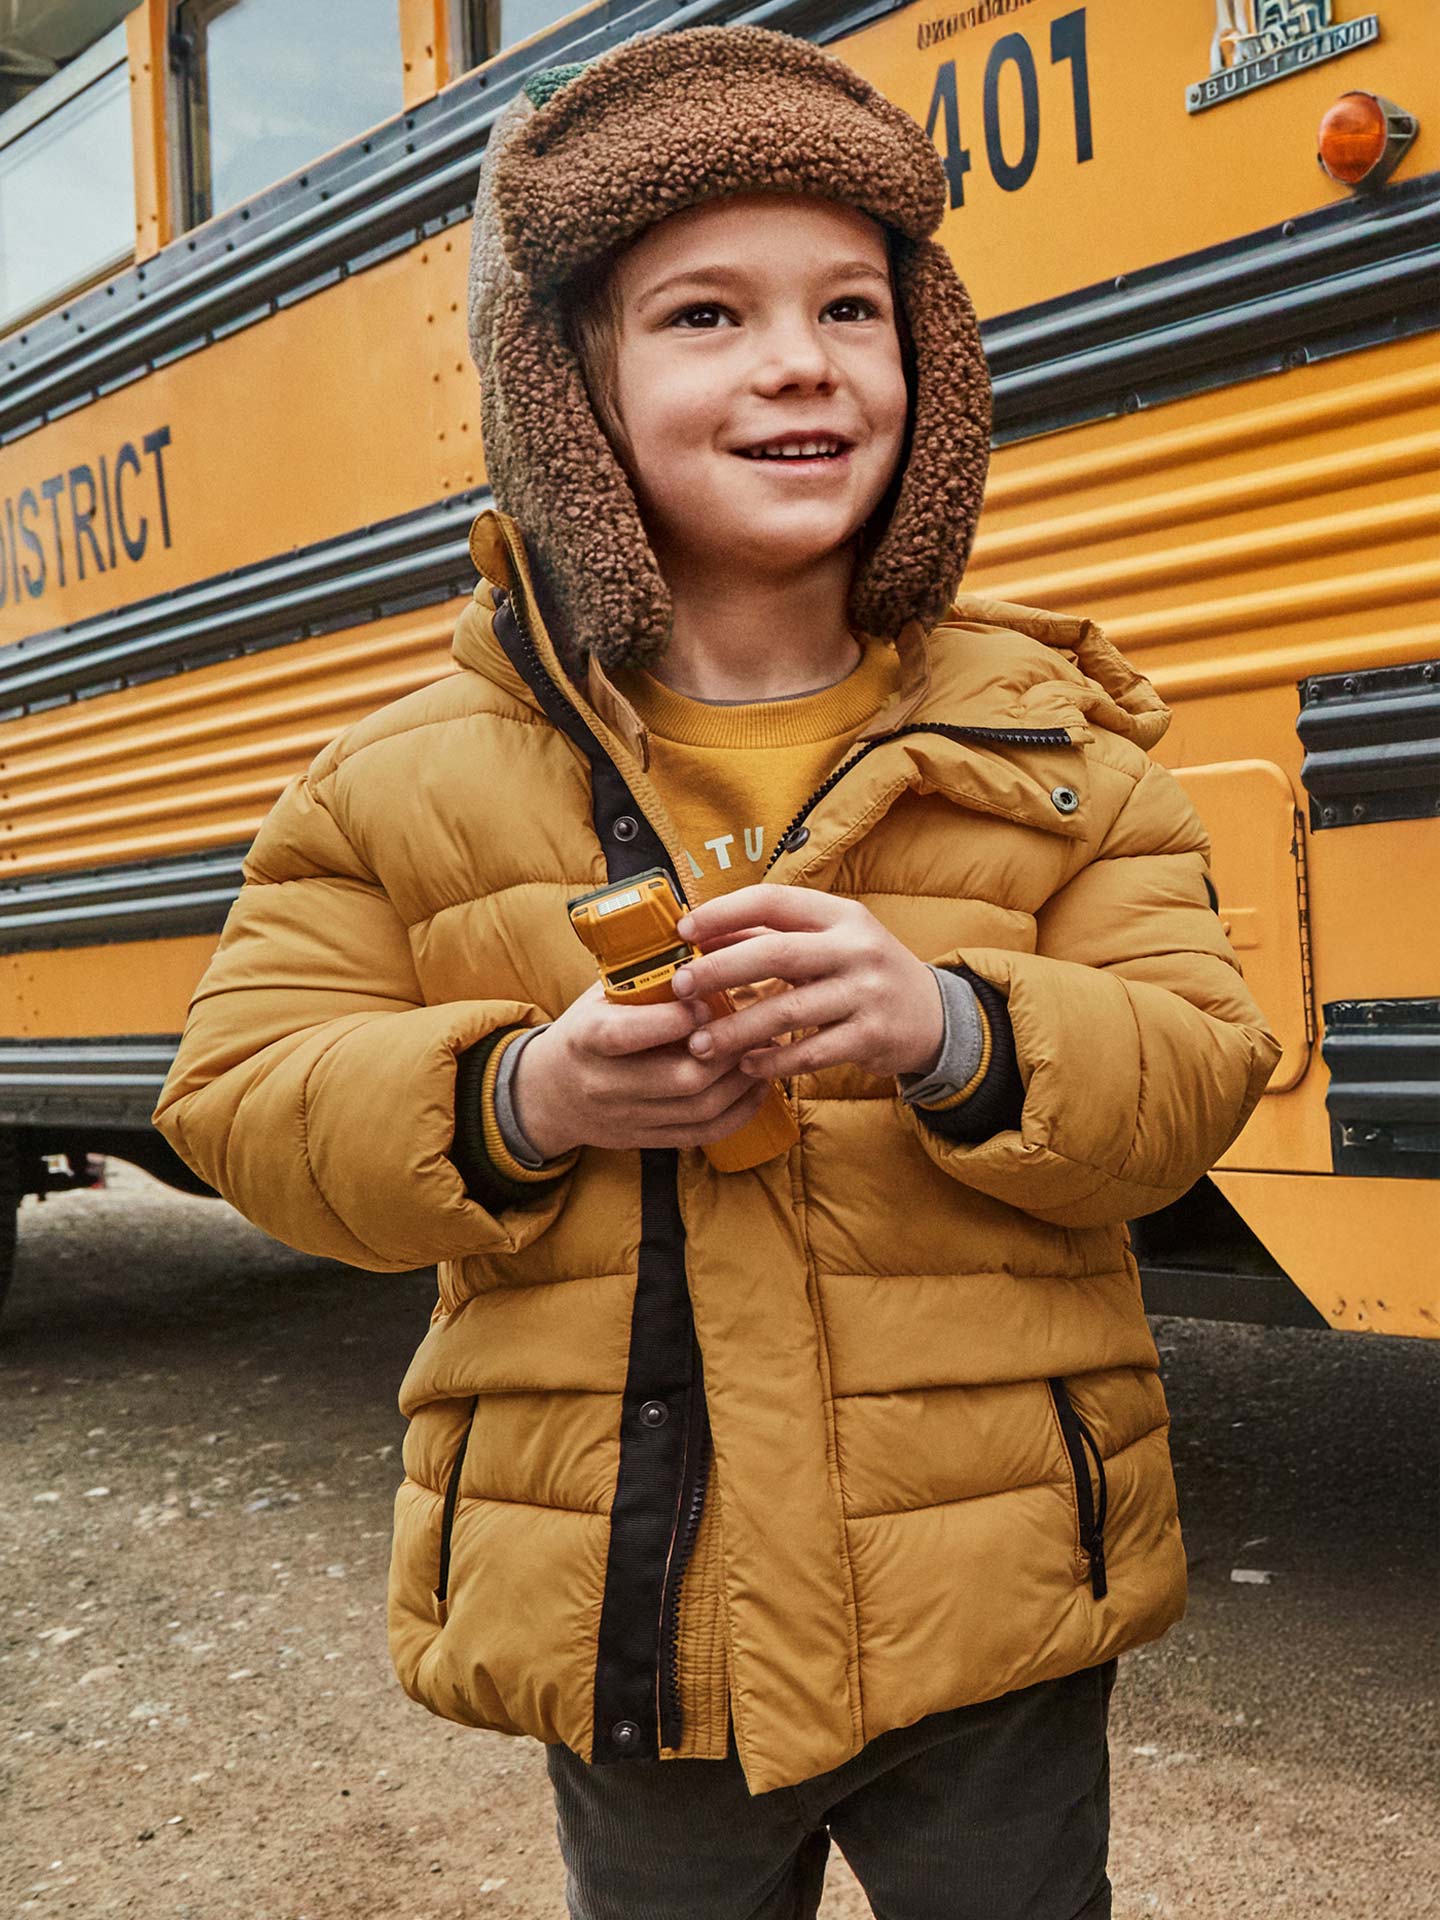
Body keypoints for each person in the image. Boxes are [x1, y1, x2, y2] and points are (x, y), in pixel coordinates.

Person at [152, 24, 1281, 1918]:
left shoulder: (1059, 754)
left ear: (930, 364)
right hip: (631, 1616)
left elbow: (1191, 1078)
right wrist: (521, 1093)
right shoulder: (403, 783)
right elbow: (240, 1097)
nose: (799, 362)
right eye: (703, 316)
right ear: (563, 393)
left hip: (988, 1612)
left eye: (855, 306)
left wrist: (955, 1027)